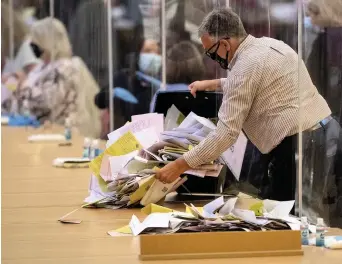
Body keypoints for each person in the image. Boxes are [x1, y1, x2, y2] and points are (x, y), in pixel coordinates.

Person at [155, 8, 341, 224]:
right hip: (330, 135)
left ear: (224, 44)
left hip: (301, 151)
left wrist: (179, 166)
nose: (213, 59)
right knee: (332, 222)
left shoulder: (244, 68)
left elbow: (225, 134)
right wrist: (216, 83)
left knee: (294, 226)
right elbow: (258, 83)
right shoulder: (271, 45)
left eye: (211, 53)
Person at [9, 18, 101, 138]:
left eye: (34, 43)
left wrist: (20, 86)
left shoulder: (65, 69)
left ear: (45, 43)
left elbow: (46, 104)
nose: (32, 47)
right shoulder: (43, 67)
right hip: (44, 131)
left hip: (64, 134)